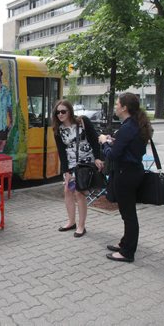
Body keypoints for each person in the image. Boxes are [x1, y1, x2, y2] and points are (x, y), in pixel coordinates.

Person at [98, 93, 152, 263]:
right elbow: (129, 148)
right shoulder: (134, 125)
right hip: (133, 171)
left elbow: (113, 155)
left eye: (117, 104)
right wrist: (114, 141)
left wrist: (104, 142)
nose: (115, 106)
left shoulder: (128, 127)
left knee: (128, 214)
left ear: (124, 108)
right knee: (127, 213)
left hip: (126, 174)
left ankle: (127, 252)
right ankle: (125, 243)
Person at [52, 100, 104, 237]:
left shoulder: (83, 122)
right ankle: (71, 222)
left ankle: (81, 226)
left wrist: (98, 157)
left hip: (85, 163)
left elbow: (94, 140)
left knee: (79, 193)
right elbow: (61, 152)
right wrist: (66, 171)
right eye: (58, 112)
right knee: (68, 191)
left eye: (63, 111)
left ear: (70, 111)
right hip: (70, 164)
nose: (60, 114)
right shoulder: (58, 129)